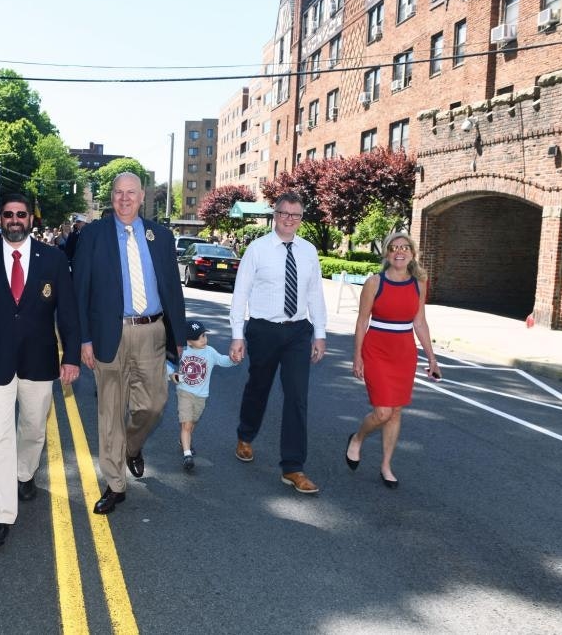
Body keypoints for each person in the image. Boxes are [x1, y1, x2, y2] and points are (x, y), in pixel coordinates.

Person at [0, 194, 81, 547]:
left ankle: (25, 473)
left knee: (34, 428)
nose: (14, 220)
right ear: (0, 219)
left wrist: (71, 356)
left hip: (39, 361)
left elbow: (67, 311)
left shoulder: (53, 260)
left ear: (31, 220)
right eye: (8, 215)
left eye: (21, 214)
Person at [72, 172, 187, 514]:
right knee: (110, 412)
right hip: (109, 334)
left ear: (141, 198)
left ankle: (132, 447)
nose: (124, 199)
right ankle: (115, 484)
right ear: (112, 197)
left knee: (152, 405)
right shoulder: (93, 235)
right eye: (119, 193)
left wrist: (179, 337)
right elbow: (80, 291)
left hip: (152, 333)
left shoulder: (161, 237)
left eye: (131, 193)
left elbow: (173, 291)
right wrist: (84, 339)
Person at [228, 192, 328, 495]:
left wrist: (320, 334)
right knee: (259, 386)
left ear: (301, 219)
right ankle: (245, 435)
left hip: (298, 331)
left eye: (295, 215)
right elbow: (240, 292)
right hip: (263, 329)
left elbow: (314, 294)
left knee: (297, 397)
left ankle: (293, 467)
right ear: (276, 215)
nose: (289, 220)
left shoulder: (309, 251)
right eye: (284, 213)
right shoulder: (257, 250)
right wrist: (237, 335)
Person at [347, 232, 440, 489]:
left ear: (412, 253)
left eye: (405, 247)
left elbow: (419, 321)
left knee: (396, 411)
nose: (399, 252)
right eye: (394, 248)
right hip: (376, 349)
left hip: (404, 352)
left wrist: (431, 358)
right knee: (383, 411)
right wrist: (357, 357)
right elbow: (362, 321)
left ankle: (386, 465)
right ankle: (357, 437)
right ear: (387, 253)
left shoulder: (419, 283)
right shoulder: (374, 282)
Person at [169, 320, 238, 472]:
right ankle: (187, 455)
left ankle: (183, 441)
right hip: (184, 392)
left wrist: (233, 360)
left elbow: (222, 360)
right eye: (199, 337)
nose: (204, 339)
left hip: (201, 396)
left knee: (192, 423)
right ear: (189, 341)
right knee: (186, 424)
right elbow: (167, 363)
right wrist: (171, 374)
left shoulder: (210, 352)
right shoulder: (183, 351)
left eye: (204, 335)